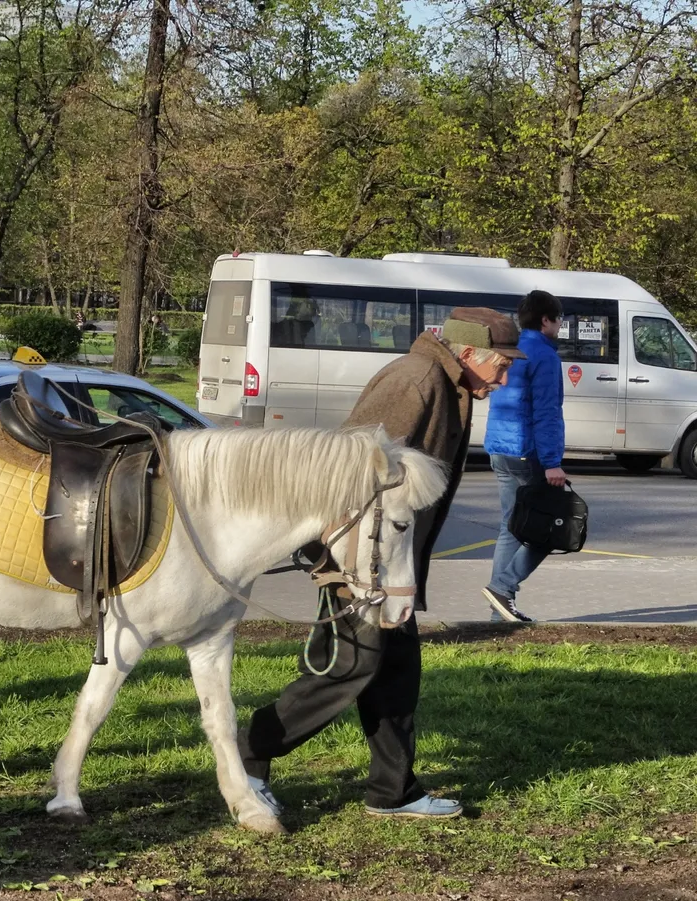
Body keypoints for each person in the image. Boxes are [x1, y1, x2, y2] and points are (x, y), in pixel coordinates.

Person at [238, 309, 523, 825]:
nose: (503, 379)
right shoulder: (414, 381)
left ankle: (392, 791)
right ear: (469, 354)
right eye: (501, 366)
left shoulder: (447, 382)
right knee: (348, 669)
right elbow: (348, 467)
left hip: (392, 566)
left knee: (395, 673)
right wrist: (336, 566)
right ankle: (246, 758)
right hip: (360, 565)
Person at [481, 290, 567, 622]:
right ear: (545, 320)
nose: (560, 326)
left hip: (500, 448)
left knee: (511, 527)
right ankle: (503, 587)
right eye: (558, 319)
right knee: (551, 528)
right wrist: (552, 463)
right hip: (528, 453)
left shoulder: (513, 351)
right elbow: (546, 413)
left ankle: (499, 612)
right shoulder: (544, 357)